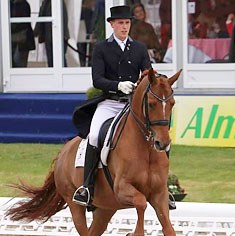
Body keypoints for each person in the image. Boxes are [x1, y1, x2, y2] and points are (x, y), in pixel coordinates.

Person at [72, 5, 152, 207]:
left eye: (127, 23)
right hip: (109, 103)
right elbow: (97, 79)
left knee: (157, 135)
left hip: (131, 106)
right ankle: (87, 188)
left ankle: (161, 187)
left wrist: (148, 82)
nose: (124, 27)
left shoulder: (139, 49)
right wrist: (117, 85)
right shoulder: (101, 48)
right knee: (94, 135)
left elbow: (147, 75)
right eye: (120, 23)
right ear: (112, 25)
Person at [33, 0, 69, 67]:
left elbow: (40, 19)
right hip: (50, 36)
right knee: (53, 60)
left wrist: (35, 33)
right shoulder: (47, 3)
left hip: (56, 36)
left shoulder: (56, 3)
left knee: (58, 60)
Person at [10, 0, 35, 68]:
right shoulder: (8, 5)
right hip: (13, 39)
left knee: (19, 65)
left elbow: (23, 23)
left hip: (22, 40)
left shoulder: (23, 4)